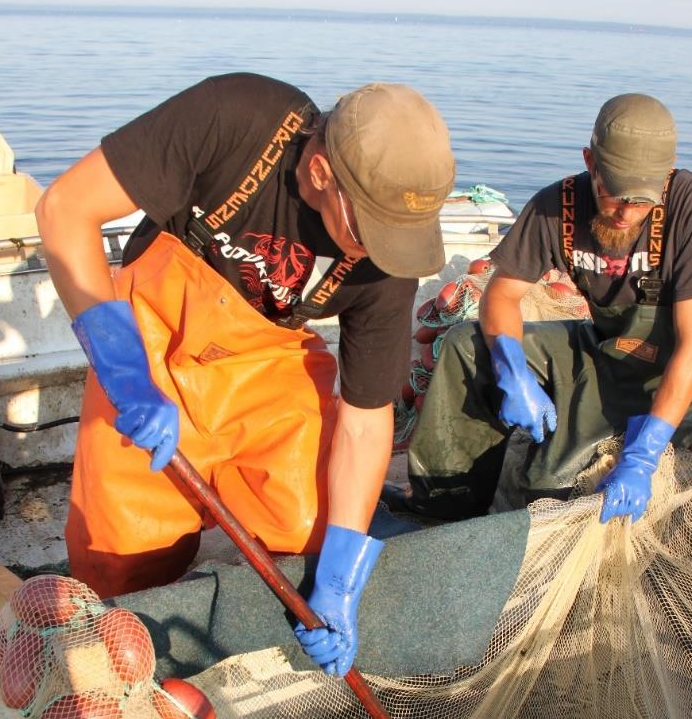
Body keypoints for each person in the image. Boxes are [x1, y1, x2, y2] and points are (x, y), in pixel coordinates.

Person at [35, 73, 455, 675]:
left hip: (268, 360)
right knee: (120, 554)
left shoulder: (386, 266)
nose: (380, 256)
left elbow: (366, 422)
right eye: (370, 232)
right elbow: (65, 208)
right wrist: (125, 372)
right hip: (153, 339)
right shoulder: (235, 118)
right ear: (320, 174)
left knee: (316, 523)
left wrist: (339, 575)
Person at [387, 93, 692, 523]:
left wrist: (644, 455)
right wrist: (511, 369)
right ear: (590, 162)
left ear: (667, 172)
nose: (627, 213)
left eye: (641, 200)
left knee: (550, 480)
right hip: (607, 350)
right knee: (465, 345)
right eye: (615, 195)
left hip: (675, 378)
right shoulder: (558, 204)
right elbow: (501, 295)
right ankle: (444, 505)